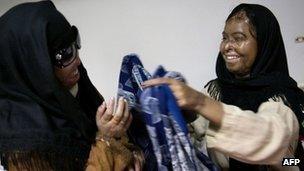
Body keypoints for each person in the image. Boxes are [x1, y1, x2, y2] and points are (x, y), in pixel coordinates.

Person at [142, 3, 303, 170]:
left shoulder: (283, 98)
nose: (227, 47)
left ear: (263, 44)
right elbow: (191, 138)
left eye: (239, 38)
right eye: (225, 37)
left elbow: (268, 139)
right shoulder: (217, 91)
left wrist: (200, 102)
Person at [0, 1, 142, 170]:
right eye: (64, 54)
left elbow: (103, 143)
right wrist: (107, 139)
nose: (78, 61)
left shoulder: (72, 91)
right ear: (33, 66)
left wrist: (129, 150)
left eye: (75, 44)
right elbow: (102, 143)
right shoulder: (24, 147)